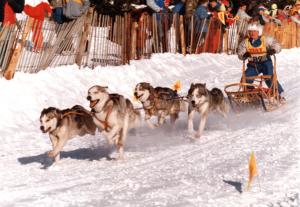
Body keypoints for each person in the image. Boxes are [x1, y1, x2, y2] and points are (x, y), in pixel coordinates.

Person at [237, 23, 285, 103]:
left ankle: (280, 95)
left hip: (266, 63)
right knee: (246, 78)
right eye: (250, 32)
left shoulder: (265, 39)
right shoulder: (245, 42)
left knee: (269, 78)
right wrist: (243, 55)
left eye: (254, 31)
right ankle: (250, 94)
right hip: (253, 65)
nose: (252, 33)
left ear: (258, 32)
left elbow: (277, 45)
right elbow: (240, 53)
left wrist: (273, 50)